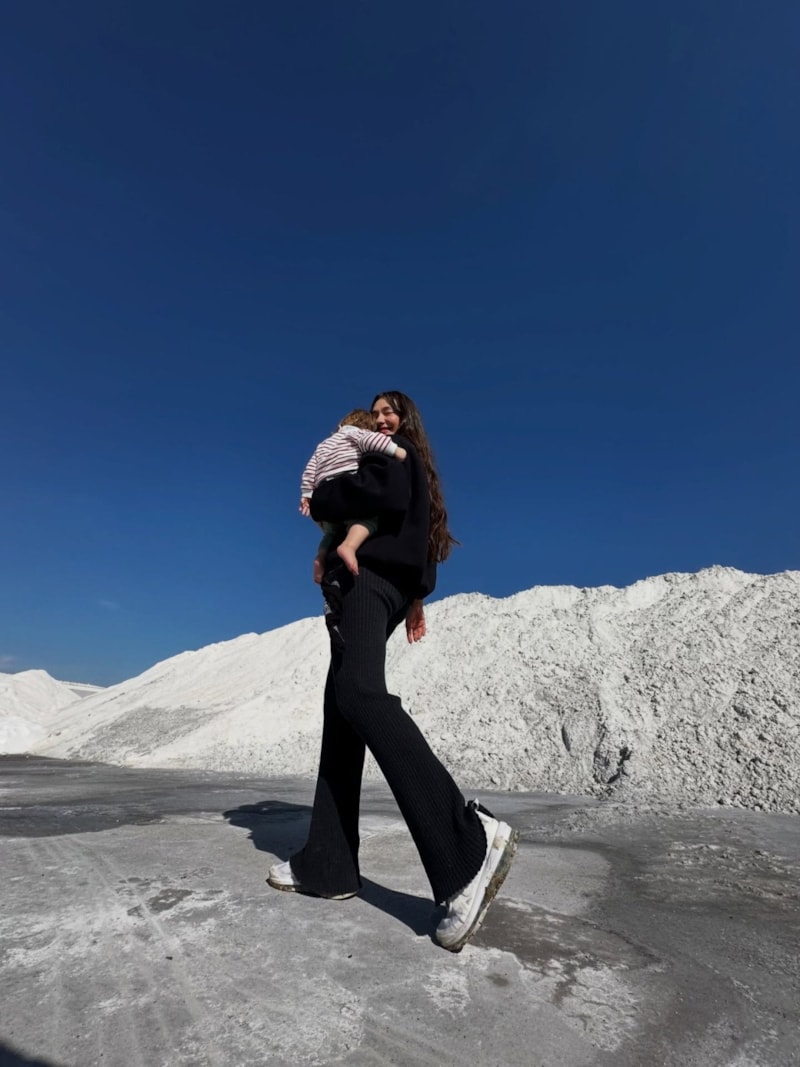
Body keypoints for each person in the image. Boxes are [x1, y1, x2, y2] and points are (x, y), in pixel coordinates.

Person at [270, 391, 518, 952]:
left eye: (391, 412)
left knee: (358, 695)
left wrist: (322, 492)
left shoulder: (390, 456)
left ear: (407, 421)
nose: (382, 419)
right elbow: (416, 540)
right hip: (382, 587)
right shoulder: (415, 470)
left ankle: (466, 847)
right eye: (376, 412)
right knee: (341, 714)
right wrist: (415, 596)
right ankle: (328, 865)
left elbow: (367, 495)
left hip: (367, 584)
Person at [300, 409, 408, 583]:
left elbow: (310, 470)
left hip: (323, 492)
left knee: (330, 533)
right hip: (346, 486)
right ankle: (349, 546)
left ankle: (320, 557)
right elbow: (374, 441)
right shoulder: (357, 434)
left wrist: (307, 494)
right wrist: (397, 451)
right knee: (367, 520)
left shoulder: (324, 444)